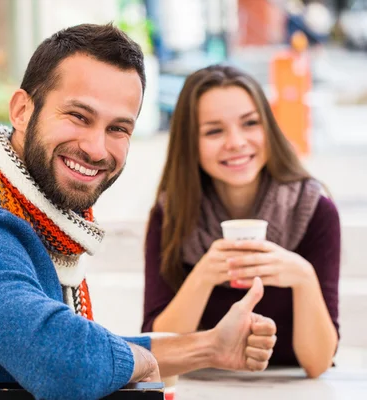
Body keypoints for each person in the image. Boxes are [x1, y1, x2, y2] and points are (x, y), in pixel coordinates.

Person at [0, 25, 277, 400]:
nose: (97, 148)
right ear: (21, 111)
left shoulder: (25, 213)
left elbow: (70, 344)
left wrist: (211, 346)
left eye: (118, 129)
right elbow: (64, 361)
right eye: (78, 117)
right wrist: (144, 363)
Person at [142, 64, 340, 379]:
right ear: (190, 143)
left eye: (250, 123)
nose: (236, 142)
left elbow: (317, 364)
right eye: (214, 131)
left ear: (269, 129)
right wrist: (204, 274)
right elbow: (156, 357)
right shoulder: (170, 215)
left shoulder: (314, 209)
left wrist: (303, 277)